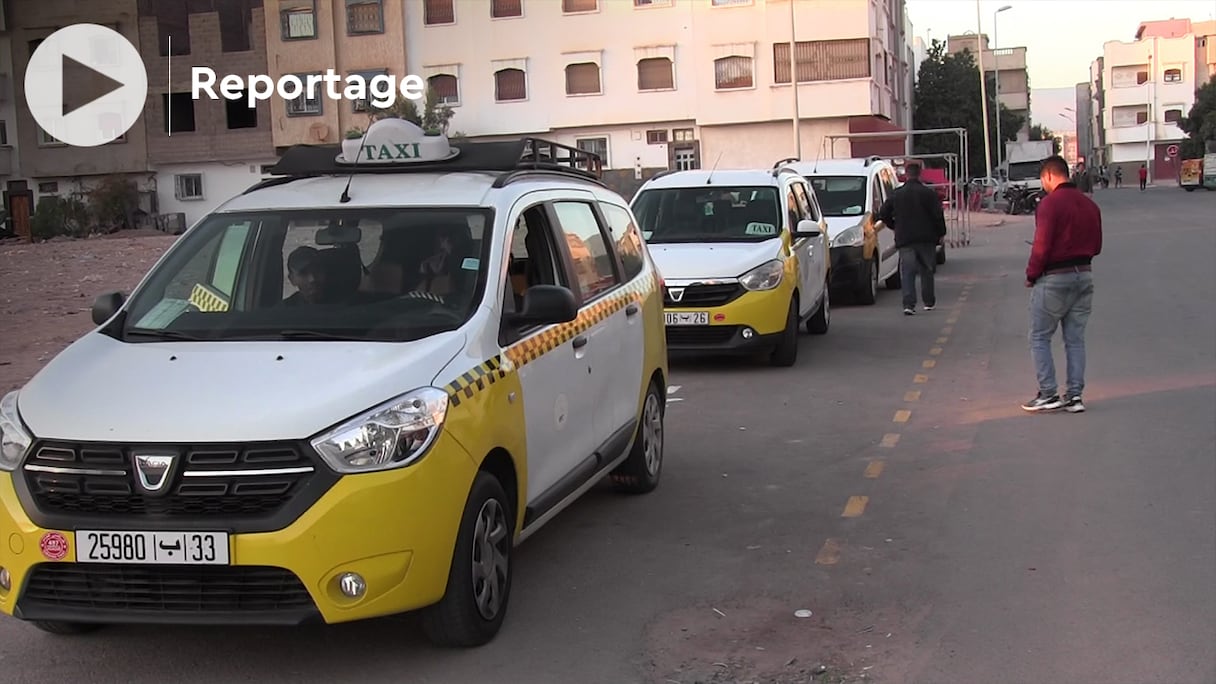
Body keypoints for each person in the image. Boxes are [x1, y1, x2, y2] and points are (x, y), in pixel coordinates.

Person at [1022, 155, 1102, 413]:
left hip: (1055, 277)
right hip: (1084, 275)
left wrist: (1031, 275)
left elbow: (1041, 245)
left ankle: (1048, 393)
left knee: (1039, 336)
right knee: (1075, 339)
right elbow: (1097, 246)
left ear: (1048, 176)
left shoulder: (1049, 204)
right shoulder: (1090, 206)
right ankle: (1075, 396)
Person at [878, 161, 947, 315]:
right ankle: (928, 302)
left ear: (906, 175)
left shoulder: (897, 194)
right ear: (920, 174)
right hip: (926, 238)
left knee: (907, 271)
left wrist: (894, 225)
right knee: (926, 270)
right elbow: (938, 215)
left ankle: (909, 305)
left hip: (905, 238)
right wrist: (941, 233)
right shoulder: (929, 194)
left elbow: (883, 213)